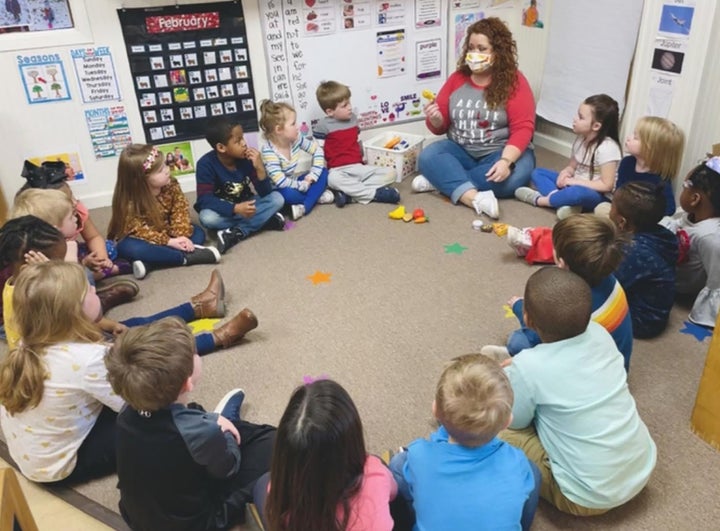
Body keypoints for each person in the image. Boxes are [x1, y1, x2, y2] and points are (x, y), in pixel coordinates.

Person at [500, 267, 656, 516]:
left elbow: (515, 421)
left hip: (586, 498)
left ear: (527, 319)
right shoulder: (601, 333)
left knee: (497, 427)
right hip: (642, 467)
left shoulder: (529, 366)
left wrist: (516, 375)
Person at [105, 318, 276, 531]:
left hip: (137, 516)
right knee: (275, 447)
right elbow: (228, 468)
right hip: (197, 524)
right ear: (188, 382)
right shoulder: (199, 433)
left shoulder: (125, 413)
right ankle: (226, 421)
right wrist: (224, 433)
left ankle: (220, 420)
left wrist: (212, 423)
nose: (197, 355)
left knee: (202, 422)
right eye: (195, 354)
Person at [0, 216, 257, 355]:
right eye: (56, 262)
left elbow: (74, 320)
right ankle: (215, 339)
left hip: (86, 335)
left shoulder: (37, 285)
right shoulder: (25, 298)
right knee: (149, 349)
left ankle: (199, 306)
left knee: (136, 323)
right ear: (31, 266)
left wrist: (107, 325)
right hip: (80, 354)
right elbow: (39, 350)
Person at [0, 261, 123, 483]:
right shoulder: (88, 359)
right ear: (74, 312)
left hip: (32, 457)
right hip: (61, 467)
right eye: (89, 290)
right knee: (148, 423)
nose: (96, 289)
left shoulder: (27, 344)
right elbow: (133, 402)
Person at [389, 354, 540, 531]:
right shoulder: (516, 461)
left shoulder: (420, 455)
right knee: (532, 472)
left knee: (399, 463)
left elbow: (419, 460)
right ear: (508, 422)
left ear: (435, 409)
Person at [411, 17, 536, 219]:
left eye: (482, 48)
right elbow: (440, 126)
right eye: (471, 47)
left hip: (500, 152)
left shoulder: (515, 81)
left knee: (514, 178)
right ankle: (474, 198)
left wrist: (506, 161)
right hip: (462, 149)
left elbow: (523, 128)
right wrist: (435, 119)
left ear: (497, 51)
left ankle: (443, 182)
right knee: (428, 155)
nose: (475, 54)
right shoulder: (457, 78)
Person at [485, 214, 634, 371]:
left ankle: (520, 361)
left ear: (562, 264)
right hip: (617, 367)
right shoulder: (604, 273)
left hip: (587, 374)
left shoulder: (569, 303)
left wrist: (518, 306)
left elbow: (542, 329)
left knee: (518, 340)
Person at [254, 379, 399, 530]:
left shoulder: (281, 489)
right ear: (353, 439)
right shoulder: (375, 474)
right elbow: (393, 493)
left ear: (283, 454)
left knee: (261, 485)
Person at [9, 191, 138, 312]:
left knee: (89, 265)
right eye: (71, 217)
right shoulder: (35, 263)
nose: (76, 218)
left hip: (68, 295)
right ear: (55, 230)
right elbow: (68, 289)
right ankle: (97, 303)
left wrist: (85, 263)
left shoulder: (57, 246)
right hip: (56, 315)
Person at [107, 144, 220, 280]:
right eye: (160, 170)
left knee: (198, 232)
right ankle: (185, 258)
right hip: (143, 238)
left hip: (169, 231)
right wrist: (169, 242)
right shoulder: (129, 200)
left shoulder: (171, 183)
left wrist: (180, 236)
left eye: (165, 165)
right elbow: (139, 230)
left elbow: (180, 209)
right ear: (142, 179)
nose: (167, 171)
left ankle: (150, 263)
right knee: (128, 247)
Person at [19, 159, 132, 280]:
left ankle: (97, 272)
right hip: (55, 266)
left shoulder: (77, 210)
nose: (74, 202)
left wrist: (102, 259)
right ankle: (100, 274)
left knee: (109, 248)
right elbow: (53, 271)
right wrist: (82, 265)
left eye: (72, 195)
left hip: (74, 251)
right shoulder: (37, 236)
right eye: (68, 199)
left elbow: (93, 237)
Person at [515, 94, 621, 219]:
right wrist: (565, 173)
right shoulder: (581, 140)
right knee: (538, 173)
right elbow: (572, 167)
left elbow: (606, 185)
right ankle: (562, 202)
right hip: (573, 184)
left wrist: (573, 181)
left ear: (596, 126)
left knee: (576, 192)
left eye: (581, 117)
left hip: (596, 194)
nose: (575, 119)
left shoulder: (608, 148)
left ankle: (540, 200)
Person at [194, 116, 285, 254]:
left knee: (278, 198)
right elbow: (204, 200)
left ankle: (237, 232)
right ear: (221, 147)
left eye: (243, 138)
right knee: (207, 218)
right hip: (223, 209)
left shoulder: (246, 158)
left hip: (246, 202)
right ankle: (263, 221)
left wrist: (260, 168)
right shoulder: (205, 164)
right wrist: (235, 208)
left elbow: (265, 193)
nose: (244, 144)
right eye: (238, 141)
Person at [313, 80, 400, 208]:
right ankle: (374, 194)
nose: (349, 107)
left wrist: (364, 160)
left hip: (359, 168)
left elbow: (357, 142)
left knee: (392, 173)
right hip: (338, 170)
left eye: (349, 102)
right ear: (330, 112)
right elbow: (317, 152)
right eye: (344, 105)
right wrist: (318, 172)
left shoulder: (353, 119)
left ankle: (349, 195)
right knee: (333, 179)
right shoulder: (323, 125)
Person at [611, 182, 678, 338]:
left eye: (611, 207)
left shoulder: (633, 251)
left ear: (622, 222)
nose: (609, 211)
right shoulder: (664, 234)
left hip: (643, 320)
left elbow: (609, 283)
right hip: (656, 307)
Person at [660, 158, 720, 328]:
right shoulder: (690, 215)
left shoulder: (710, 237)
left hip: (684, 289)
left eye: (685, 185)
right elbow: (676, 223)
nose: (682, 190)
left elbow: (717, 279)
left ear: (695, 198)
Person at [595, 116, 685, 218]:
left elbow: (669, 209)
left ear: (650, 148)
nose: (629, 137)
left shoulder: (660, 178)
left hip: (639, 219)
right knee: (601, 208)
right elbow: (619, 192)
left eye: (636, 137)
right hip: (621, 211)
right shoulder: (627, 162)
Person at [259, 99, 332, 220]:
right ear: (279, 130)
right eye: (293, 124)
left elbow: (317, 150)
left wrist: (313, 175)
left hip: (296, 181)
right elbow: (280, 182)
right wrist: (301, 185)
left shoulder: (296, 139)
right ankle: (314, 198)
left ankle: (305, 205)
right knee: (286, 195)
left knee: (324, 173)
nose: (297, 127)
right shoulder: (269, 151)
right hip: (280, 189)